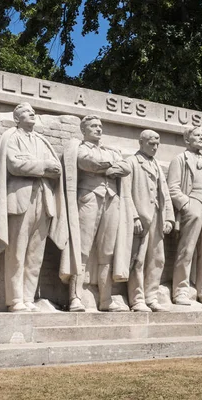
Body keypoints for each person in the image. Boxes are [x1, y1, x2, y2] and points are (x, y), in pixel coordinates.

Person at [0, 102, 67, 312]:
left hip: (44, 202)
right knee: (16, 252)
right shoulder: (11, 137)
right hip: (20, 202)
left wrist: (36, 166)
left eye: (33, 111)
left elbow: (56, 169)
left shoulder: (42, 141)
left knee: (36, 255)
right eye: (26, 112)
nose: (32, 113)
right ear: (17, 119)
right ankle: (15, 299)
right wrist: (42, 166)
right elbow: (15, 165)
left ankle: (28, 298)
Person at [62, 115, 132, 312]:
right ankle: (75, 297)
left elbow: (126, 167)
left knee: (107, 251)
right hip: (89, 197)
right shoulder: (80, 148)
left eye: (100, 126)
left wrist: (108, 165)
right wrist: (111, 166)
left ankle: (105, 298)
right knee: (82, 248)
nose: (99, 129)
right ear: (84, 130)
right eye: (94, 126)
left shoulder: (108, 150)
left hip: (111, 199)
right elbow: (87, 163)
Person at [167, 126, 202, 306]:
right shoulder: (180, 159)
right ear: (187, 139)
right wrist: (186, 204)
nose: (201, 138)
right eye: (197, 135)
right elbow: (173, 188)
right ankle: (181, 291)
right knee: (187, 249)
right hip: (193, 204)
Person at [124, 130, 175, 312]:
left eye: (157, 144)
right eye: (151, 144)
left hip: (157, 218)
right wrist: (134, 216)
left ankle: (151, 297)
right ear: (141, 142)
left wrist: (169, 217)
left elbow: (165, 193)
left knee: (157, 259)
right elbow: (126, 193)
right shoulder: (131, 162)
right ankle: (137, 300)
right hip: (141, 218)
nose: (155, 148)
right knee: (137, 259)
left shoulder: (156, 165)